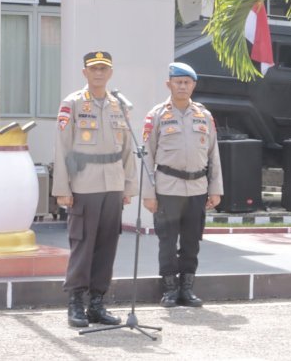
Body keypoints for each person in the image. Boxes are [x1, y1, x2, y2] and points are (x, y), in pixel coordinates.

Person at [52, 51, 138, 327]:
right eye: (94, 69)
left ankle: (97, 303)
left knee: (106, 245)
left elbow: (127, 148)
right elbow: (62, 147)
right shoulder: (73, 104)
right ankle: (76, 303)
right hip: (84, 184)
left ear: (110, 72)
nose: (99, 73)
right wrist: (62, 188)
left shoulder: (118, 106)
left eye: (103, 68)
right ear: (84, 73)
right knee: (83, 244)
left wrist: (128, 185)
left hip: (112, 184)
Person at [142, 62, 223, 307]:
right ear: (169, 84)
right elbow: (147, 156)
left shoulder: (204, 116)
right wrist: (149, 193)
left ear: (193, 85)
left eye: (187, 82)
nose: (182, 86)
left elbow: (213, 154)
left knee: (191, 240)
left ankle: (186, 288)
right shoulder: (156, 115)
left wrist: (216, 189)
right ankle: (168, 289)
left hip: (197, 188)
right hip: (167, 188)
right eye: (178, 82)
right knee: (167, 241)